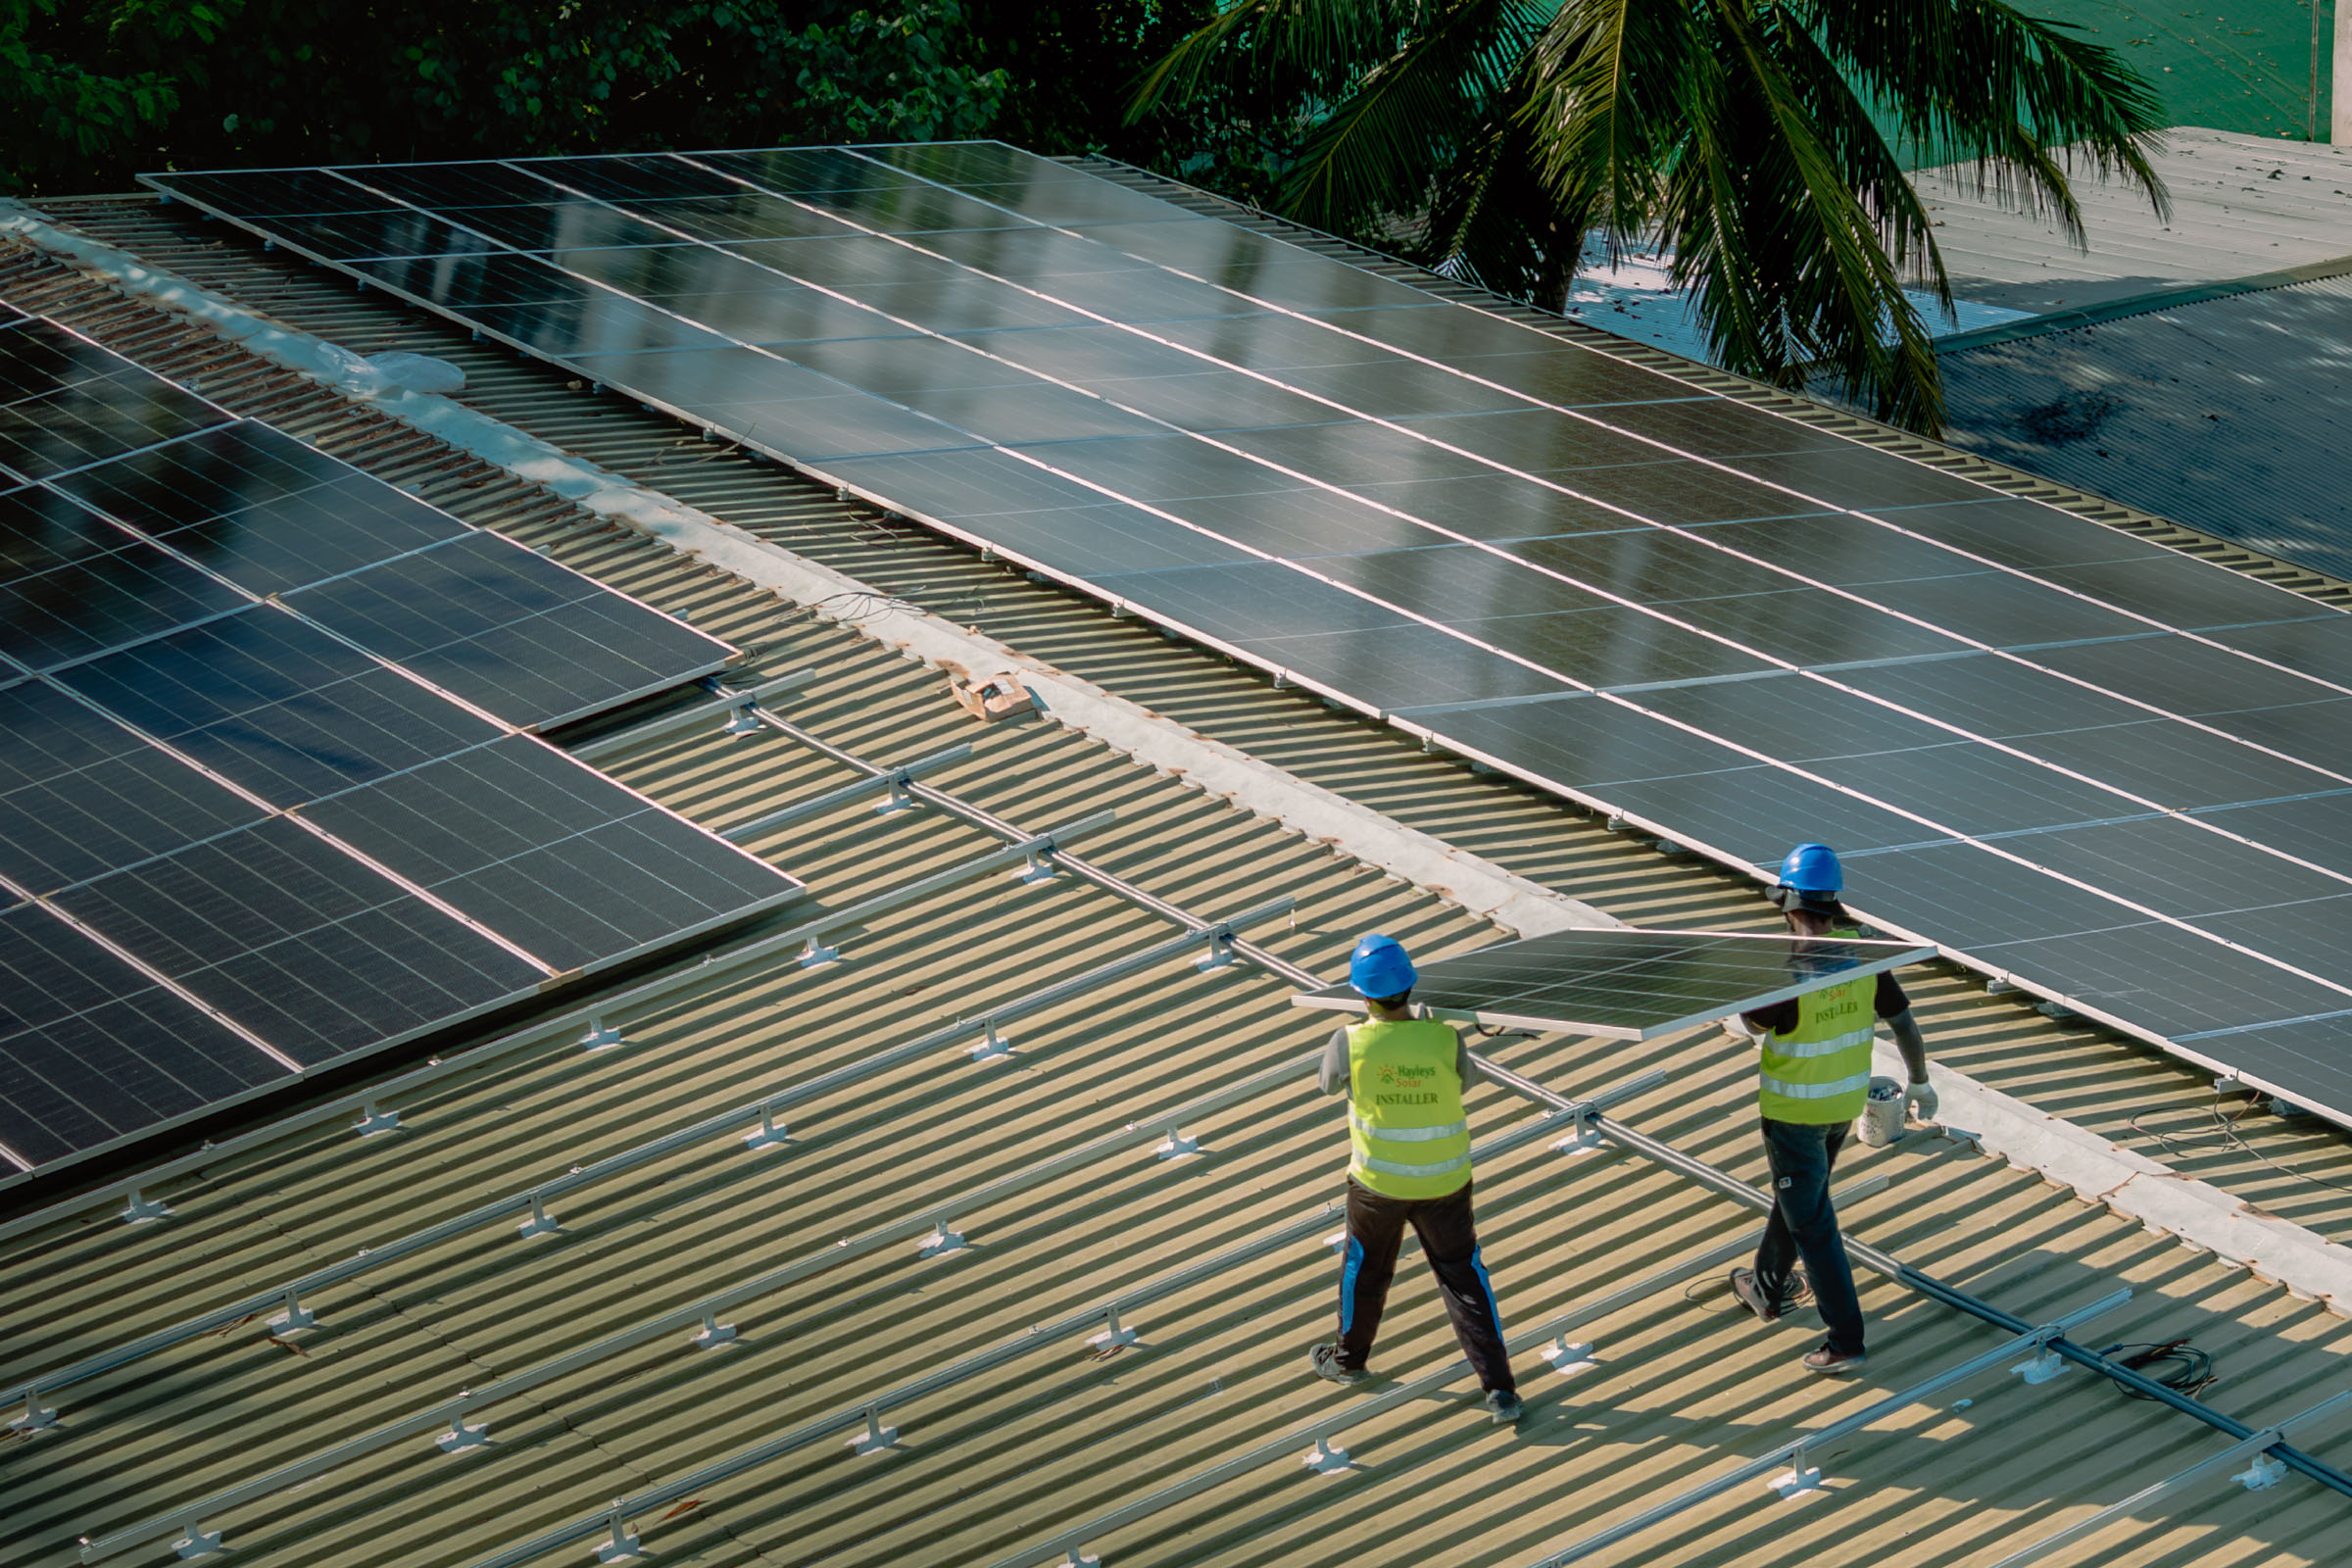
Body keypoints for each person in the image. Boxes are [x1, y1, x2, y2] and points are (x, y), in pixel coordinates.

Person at [1723, 843, 1936, 1375]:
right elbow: (1904, 1023)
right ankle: (1766, 1288)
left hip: (1794, 1116)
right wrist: (1920, 1082)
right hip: (1842, 1108)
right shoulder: (1863, 953)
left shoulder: (1790, 970)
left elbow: (1750, 1025)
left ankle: (1845, 1340)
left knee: (1814, 1227)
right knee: (1800, 1195)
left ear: (1789, 902)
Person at [1307, 933, 1521, 1423]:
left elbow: (1327, 1085)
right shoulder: (1446, 1036)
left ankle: (1348, 1361)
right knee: (1464, 1277)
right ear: (1410, 986)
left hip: (1378, 1185)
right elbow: (1464, 1082)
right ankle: (1500, 1390)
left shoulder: (1349, 1040)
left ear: (1361, 994)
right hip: (1446, 1183)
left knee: (1366, 1271)